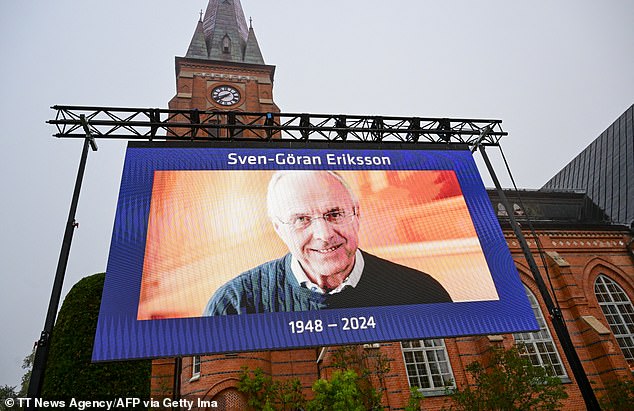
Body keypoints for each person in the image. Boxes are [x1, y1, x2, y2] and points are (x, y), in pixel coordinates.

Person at [204, 170, 452, 315]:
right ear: (279, 229)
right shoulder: (234, 303)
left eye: (334, 214)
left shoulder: (422, 293)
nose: (324, 234)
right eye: (301, 219)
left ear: (356, 213)